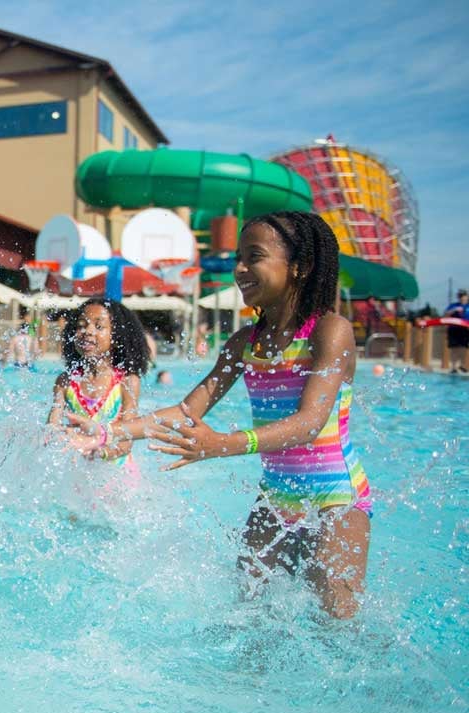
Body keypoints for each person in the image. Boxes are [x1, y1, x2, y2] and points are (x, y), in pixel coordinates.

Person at [67, 212, 371, 619]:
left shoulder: (329, 331)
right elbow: (186, 411)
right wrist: (103, 433)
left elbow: (309, 423)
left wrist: (223, 445)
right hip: (276, 498)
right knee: (249, 613)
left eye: (254, 257)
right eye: (238, 259)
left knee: (337, 618)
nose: (240, 270)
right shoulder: (245, 343)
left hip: (337, 498)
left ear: (300, 267)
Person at [48, 299, 150, 489]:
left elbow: (127, 441)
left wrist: (98, 451)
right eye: (81, 326)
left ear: (117, 336)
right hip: (81, 478)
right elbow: (51, 429)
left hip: (119, 478)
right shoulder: (65, 382)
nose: (88, 331)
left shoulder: (127, 381)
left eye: (99, 326)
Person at [443, 289, 469, 373]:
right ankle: (453, 367)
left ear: (467, 296)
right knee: (454, 348)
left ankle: (462, 365)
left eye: (463, 295)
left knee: (464, 348)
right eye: (460, 296)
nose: (462, 297)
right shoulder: (453, 305)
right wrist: (454, 310)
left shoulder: (468, 306)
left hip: (465, 330)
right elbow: (446, 314)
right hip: (454, 329)